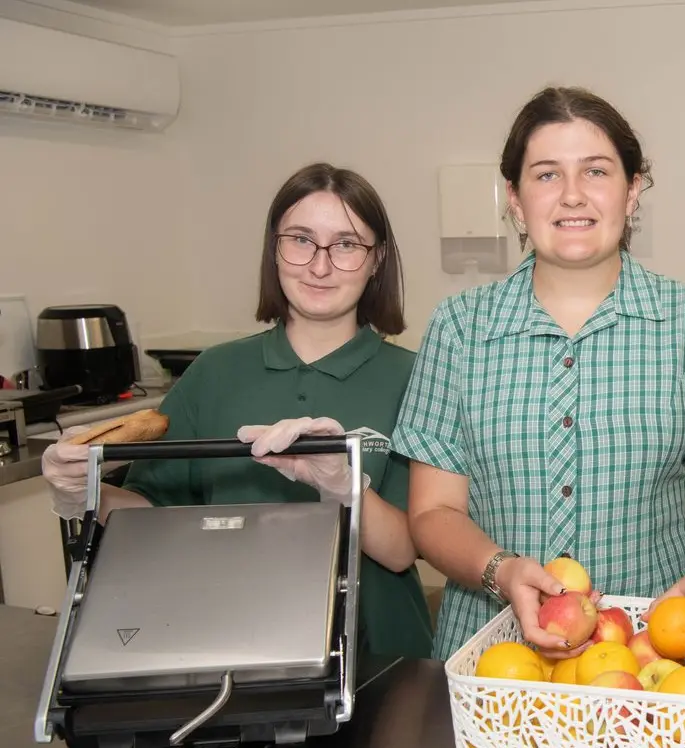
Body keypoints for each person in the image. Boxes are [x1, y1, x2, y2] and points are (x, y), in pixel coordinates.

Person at [394, 86, 685, 661]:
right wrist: (499, 569)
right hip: (493, 653)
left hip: (649, 651)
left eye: (596, 171)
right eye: (545, 175)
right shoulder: (459, 327)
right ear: (514, 199)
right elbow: (434, 511)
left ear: (632, 189)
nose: (572, 195)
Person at [40, 163, 433, 659]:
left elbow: (401, 550)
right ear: (274, 249)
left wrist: (343, 485)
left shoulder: (417, 377)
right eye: (301, 239)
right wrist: (83, 494)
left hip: (377, 660)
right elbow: (150, 517)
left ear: (377, 260)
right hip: (223, 654)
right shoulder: (215, 372)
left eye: (347, 245)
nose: (319, 265)